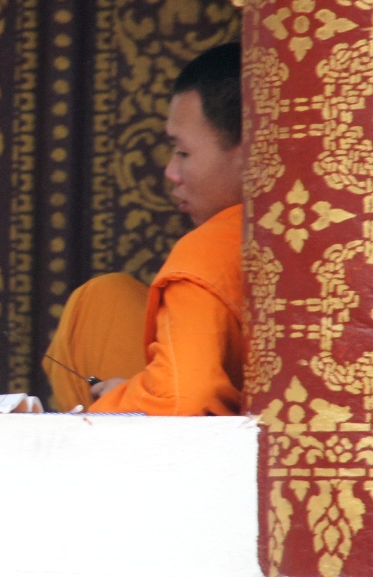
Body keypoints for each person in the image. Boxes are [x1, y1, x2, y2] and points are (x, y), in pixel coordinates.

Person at [42, 42, 247, 415]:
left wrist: (123, 397)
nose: (171, 172)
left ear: (252, 151)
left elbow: (182, 397)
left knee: (99, 304)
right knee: (109, 296)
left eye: (183, 152)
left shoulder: (209, 250)